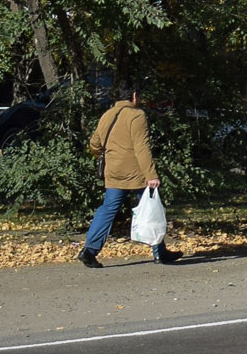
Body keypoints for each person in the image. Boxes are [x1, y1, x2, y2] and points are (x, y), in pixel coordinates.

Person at [77, 82, 182, 268]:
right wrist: (151, 174)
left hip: (113, 171)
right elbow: (141, 147)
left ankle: (89, 250)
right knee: (151, 209)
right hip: (136, 172)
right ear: (134, 96)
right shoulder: (137, 115)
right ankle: (160, 253)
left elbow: (94, 143)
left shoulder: (107, 115)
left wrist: (107, 156)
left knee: (107, 210)